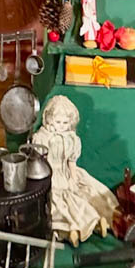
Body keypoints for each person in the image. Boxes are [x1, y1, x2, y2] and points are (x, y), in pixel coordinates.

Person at [30, 95, 117, 246]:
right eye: (58, 122)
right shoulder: (42, 137)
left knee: (81, 193)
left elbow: (72, 161)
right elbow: (39, 160)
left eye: (65, 123)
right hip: (50, 173)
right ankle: (73, 228)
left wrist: (73, 176)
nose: (61, 126)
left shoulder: (71, 138)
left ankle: (95, 222)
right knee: (58, 202)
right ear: (49, 119)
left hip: (66, 172)